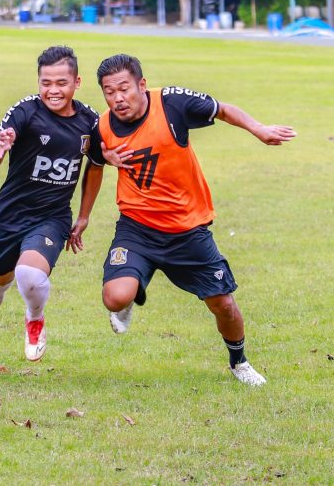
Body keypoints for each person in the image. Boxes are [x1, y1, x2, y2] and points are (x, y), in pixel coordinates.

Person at [86, 54, 296, 386]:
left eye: (124, 89)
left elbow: (223, 109)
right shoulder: (101, 125)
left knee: (223, 304)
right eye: (109, 92)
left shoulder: (172, 104)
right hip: (137, 227)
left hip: (188, 231)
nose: (118, 99)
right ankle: (129, 297)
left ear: (142, 84)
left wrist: (259, 129)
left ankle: (239, 363)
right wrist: (105, 161)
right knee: (114, 296)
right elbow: (94, 156)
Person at [0, 46, 111, 370]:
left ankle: (35, 319)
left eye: (61, 82)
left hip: (51, 218)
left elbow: (94, 167)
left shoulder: (90, 121)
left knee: (29, 274)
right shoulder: (25, 111)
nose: (53, 90)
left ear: (77, 82)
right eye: (46, 83)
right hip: (9, 216)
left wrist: (83, 216)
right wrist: (0, 148)